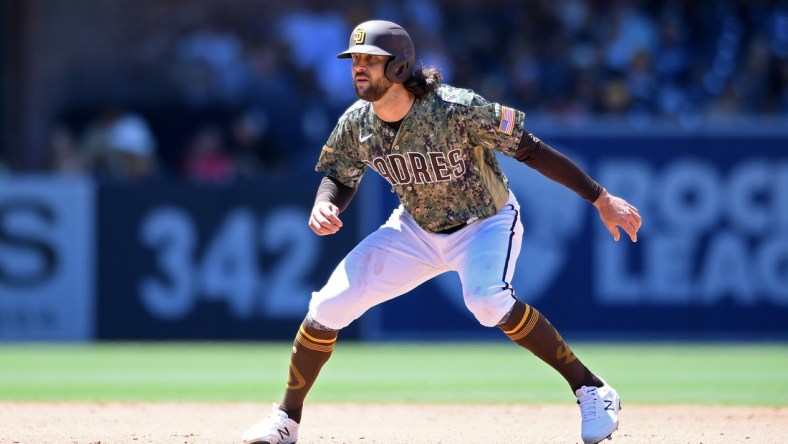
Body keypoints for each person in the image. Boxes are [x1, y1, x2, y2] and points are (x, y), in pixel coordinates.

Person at [242, 20, 641, 444]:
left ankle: (591, 388)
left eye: (369, 60)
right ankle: (286, 420)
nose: (358, 68)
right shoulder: (358, 121)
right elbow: (340, 174)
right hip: (415, 228)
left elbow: (531, 149)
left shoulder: (455, 107)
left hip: (486, 222)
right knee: (326, 307)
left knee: (486, 301)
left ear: (398, 67)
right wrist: (326, 202)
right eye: (354, 59)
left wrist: (600, 198)